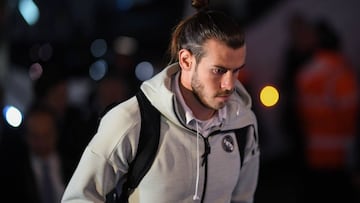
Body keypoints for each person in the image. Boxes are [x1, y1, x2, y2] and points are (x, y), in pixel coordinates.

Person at [61, 0, 260, 202]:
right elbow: (79, 198)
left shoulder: (243, 122)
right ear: (186, 61)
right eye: (219, 70)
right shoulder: (131, 121)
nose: (229, 84)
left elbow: (243, 198)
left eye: (236, 70)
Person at [295, 19, 359, 203]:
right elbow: (351, 117)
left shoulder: (305, 75)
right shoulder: (340, 72)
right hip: (340, 154)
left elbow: (303, 116)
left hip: (315, 153)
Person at [0, 101, 71, 203]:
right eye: (35, 136)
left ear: (57, 133)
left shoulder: (74, 163)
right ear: (25, 136)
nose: (41, 143)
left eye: (47, 135)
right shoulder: (13, 171)